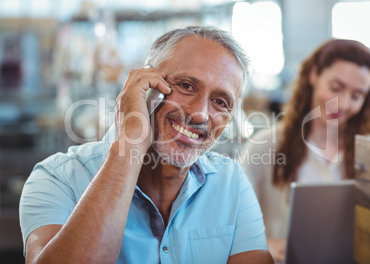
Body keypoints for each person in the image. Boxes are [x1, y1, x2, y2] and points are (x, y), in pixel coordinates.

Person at [19, 26, 273, 264]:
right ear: (145, 84)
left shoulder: (231, 182)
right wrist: (130, 145)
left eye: (220, 102)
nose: (200, 115)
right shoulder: (58, 178)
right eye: (186, 86)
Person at [241, 39, 370, 263]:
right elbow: (231, 227)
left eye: (357, 96)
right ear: (314, 75)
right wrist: (264, 243)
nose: (343, 104)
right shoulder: (264, 146)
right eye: (336, 88)